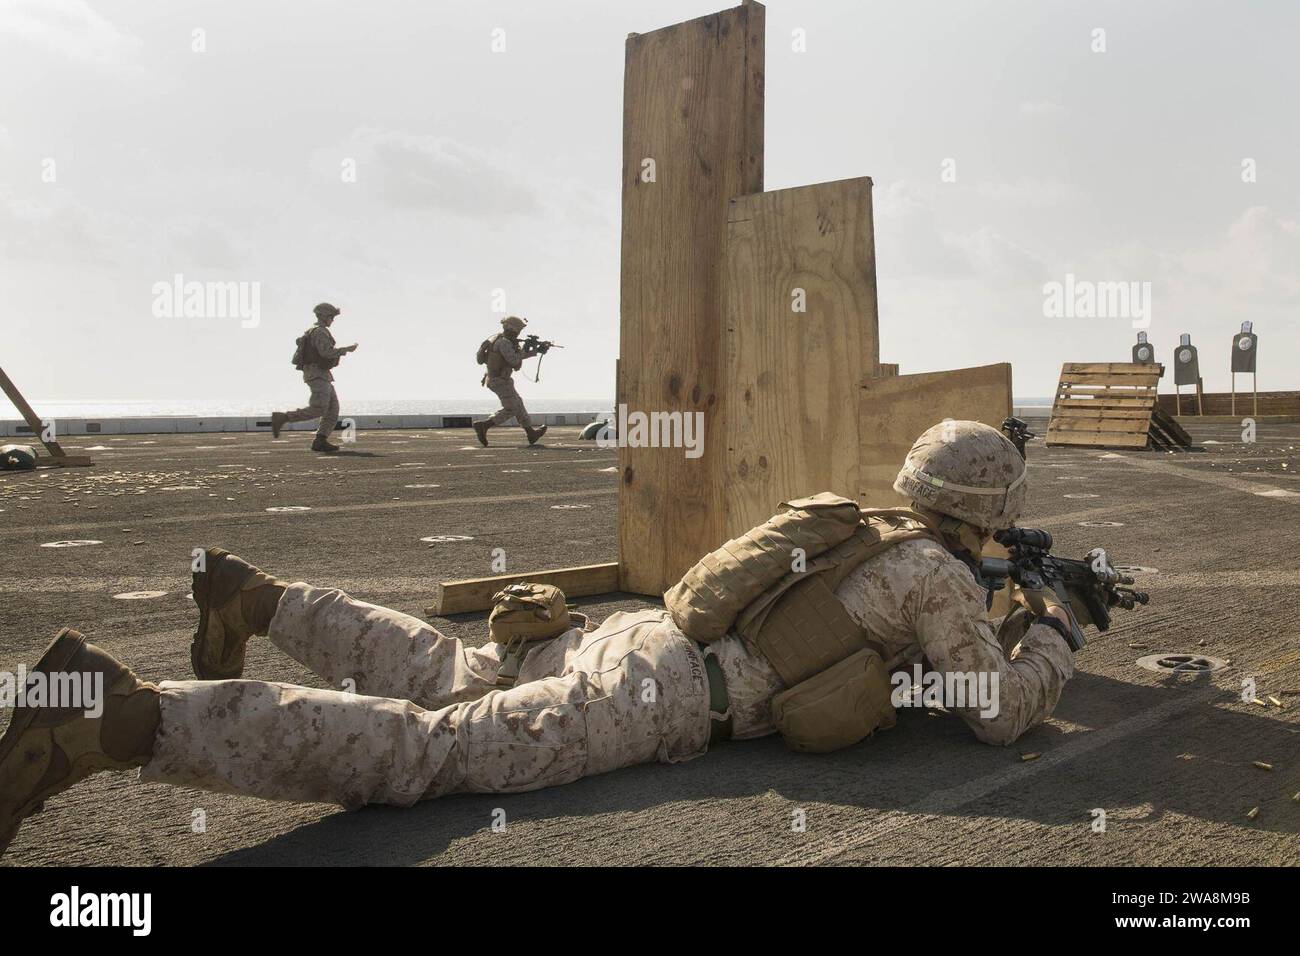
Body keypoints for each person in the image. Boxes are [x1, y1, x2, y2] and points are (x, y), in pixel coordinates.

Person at [0, 421, 1078, 855]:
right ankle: (119, 716)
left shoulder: (868, 527)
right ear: (989, 503)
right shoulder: (937, 573)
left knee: (445, 666)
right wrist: (1050, 636)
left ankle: (259, 598)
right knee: (438, 750)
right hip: (653, 700)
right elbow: (988, 715)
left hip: (627, 639)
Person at [270, 303, 357, 453]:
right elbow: (326, 353)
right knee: (319, 408)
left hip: (321, 374)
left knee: (332, 409)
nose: (332, 320)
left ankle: (320, 440)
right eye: (331, 316)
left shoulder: (315, 331)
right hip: (317, 374)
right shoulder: (319, 332)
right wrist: (346, 350)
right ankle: (283, 418)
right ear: (323, 316)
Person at [474, 315, 547, 447]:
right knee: (512, 408)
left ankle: (531, 433)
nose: (518, 333)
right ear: (513, 329)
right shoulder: (504, 343)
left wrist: (532, 350)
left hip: (500, 379)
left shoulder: (499, 339)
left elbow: (513, 358)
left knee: (518, 404)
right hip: (499, 380)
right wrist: (529, 350)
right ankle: (484, 425)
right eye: (518, 330)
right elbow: (514, 360)